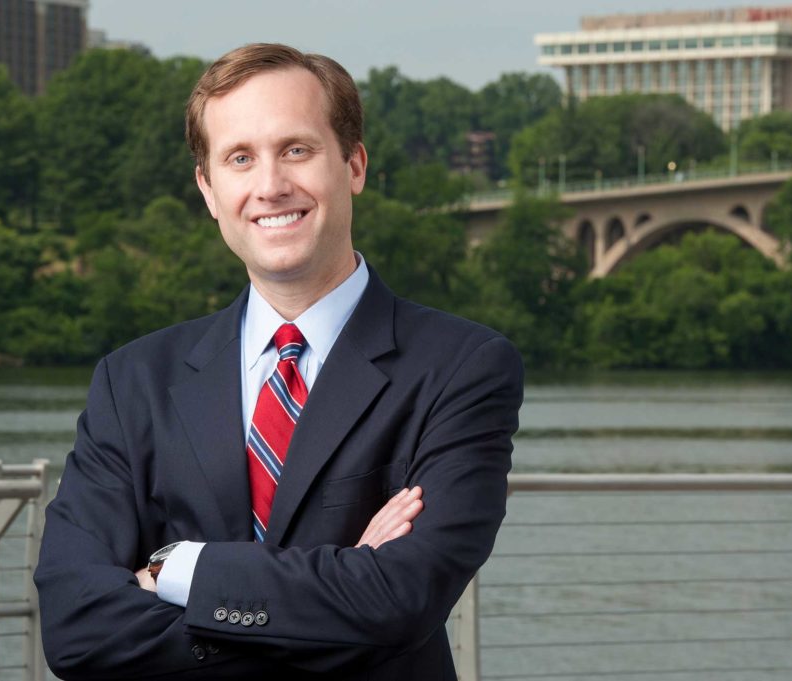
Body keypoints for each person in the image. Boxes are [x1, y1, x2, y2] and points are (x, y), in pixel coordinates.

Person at [34, 43, 523, 680]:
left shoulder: (462, 367)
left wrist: (176, 570)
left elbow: (402, 598)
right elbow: (76, 628)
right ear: (209, 190)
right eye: (240, 158)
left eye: (296, 149)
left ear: (353, 164)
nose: (270, 186)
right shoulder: (132, 383)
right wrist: (335, 602)